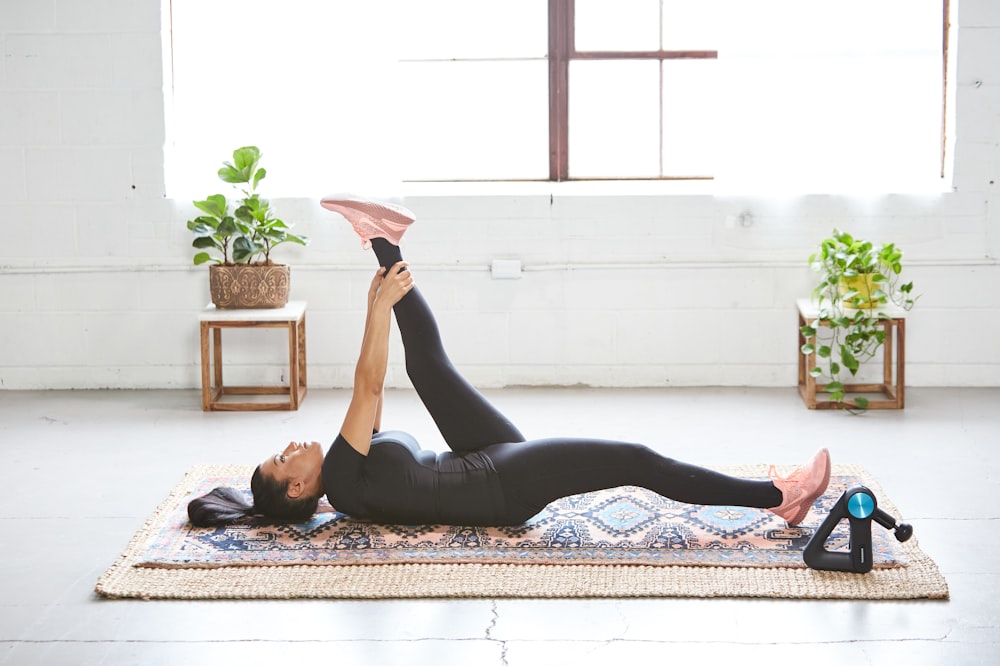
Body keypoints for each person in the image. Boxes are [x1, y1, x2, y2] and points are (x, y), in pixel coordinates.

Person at [188, 195, 831, 529]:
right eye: (283, 459)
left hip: (481, 458)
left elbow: (376, 393)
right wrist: (376, 312)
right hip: (501, 488)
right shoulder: (345, 478)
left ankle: (383, 240)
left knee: (429, 369)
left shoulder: (346, 477)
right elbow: (364, 381)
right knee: (634, 459)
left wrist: (377, 306)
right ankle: (776, 497)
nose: (292, 445)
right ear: (299, 487)